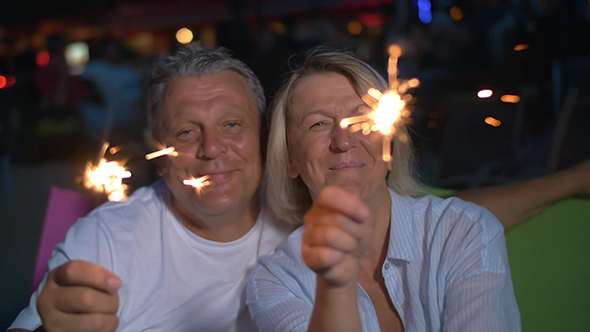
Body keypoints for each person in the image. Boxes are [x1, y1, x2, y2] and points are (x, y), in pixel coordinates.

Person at [8, 43, 294, 332]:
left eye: (232, 125)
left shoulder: (300, 219)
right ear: (160, 160)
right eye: (186, 132)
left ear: (263, 137)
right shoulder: (106, 239)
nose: (211, 148)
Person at [246, 50, 521, 331]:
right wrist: (335, 286)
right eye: (319, 124)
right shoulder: (276, 280)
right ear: (291, 157)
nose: (343, 141)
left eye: (362, 119)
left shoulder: (463, 231)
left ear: (389, 142)